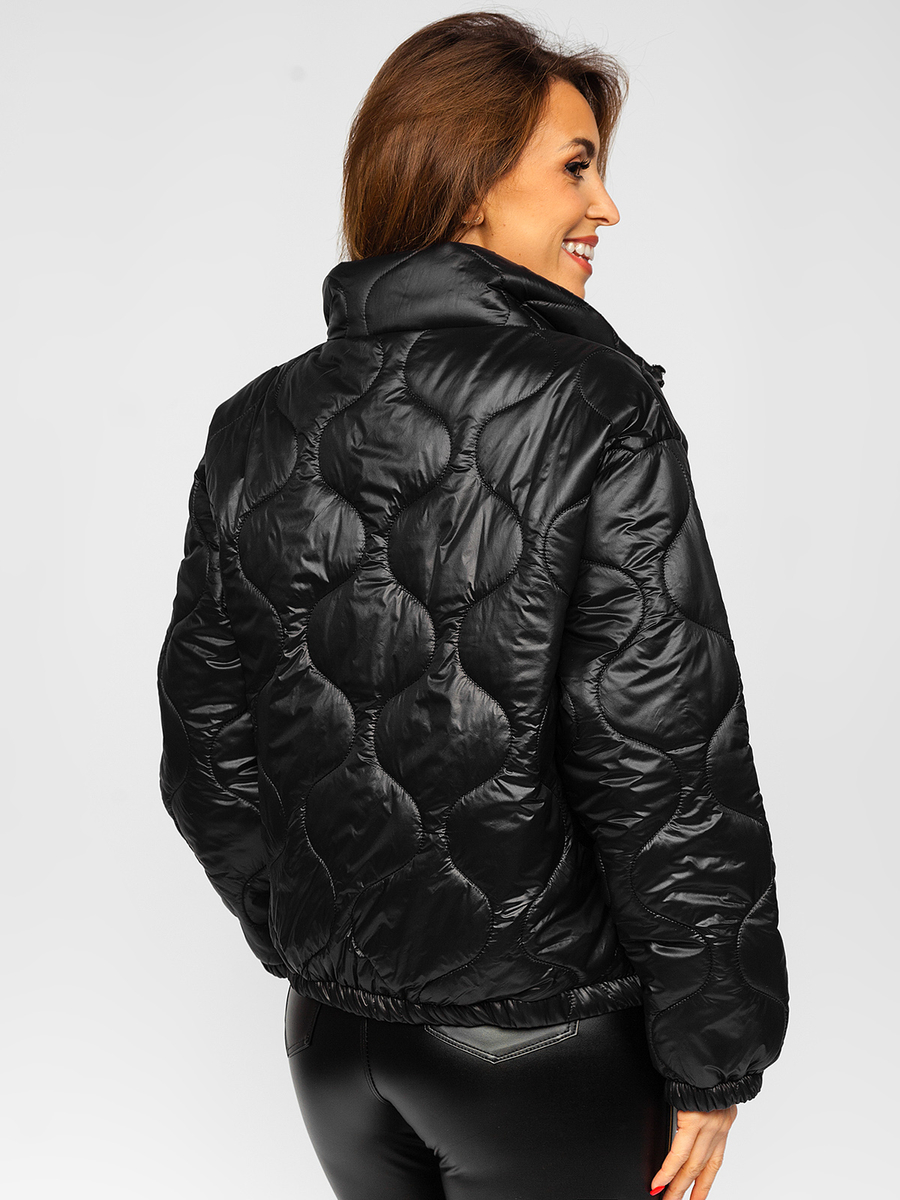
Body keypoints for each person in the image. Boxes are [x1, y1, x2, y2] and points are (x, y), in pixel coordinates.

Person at [155, 12, 789, 1200]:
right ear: (466, 182)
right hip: (541, 1046)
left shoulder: (253, 424)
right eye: (576, 166)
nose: (606, 208)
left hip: (333, 1046)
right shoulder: (597, 406)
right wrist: (717, 1052)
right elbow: (660, 752)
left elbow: (207, 754)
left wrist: (325, 947)